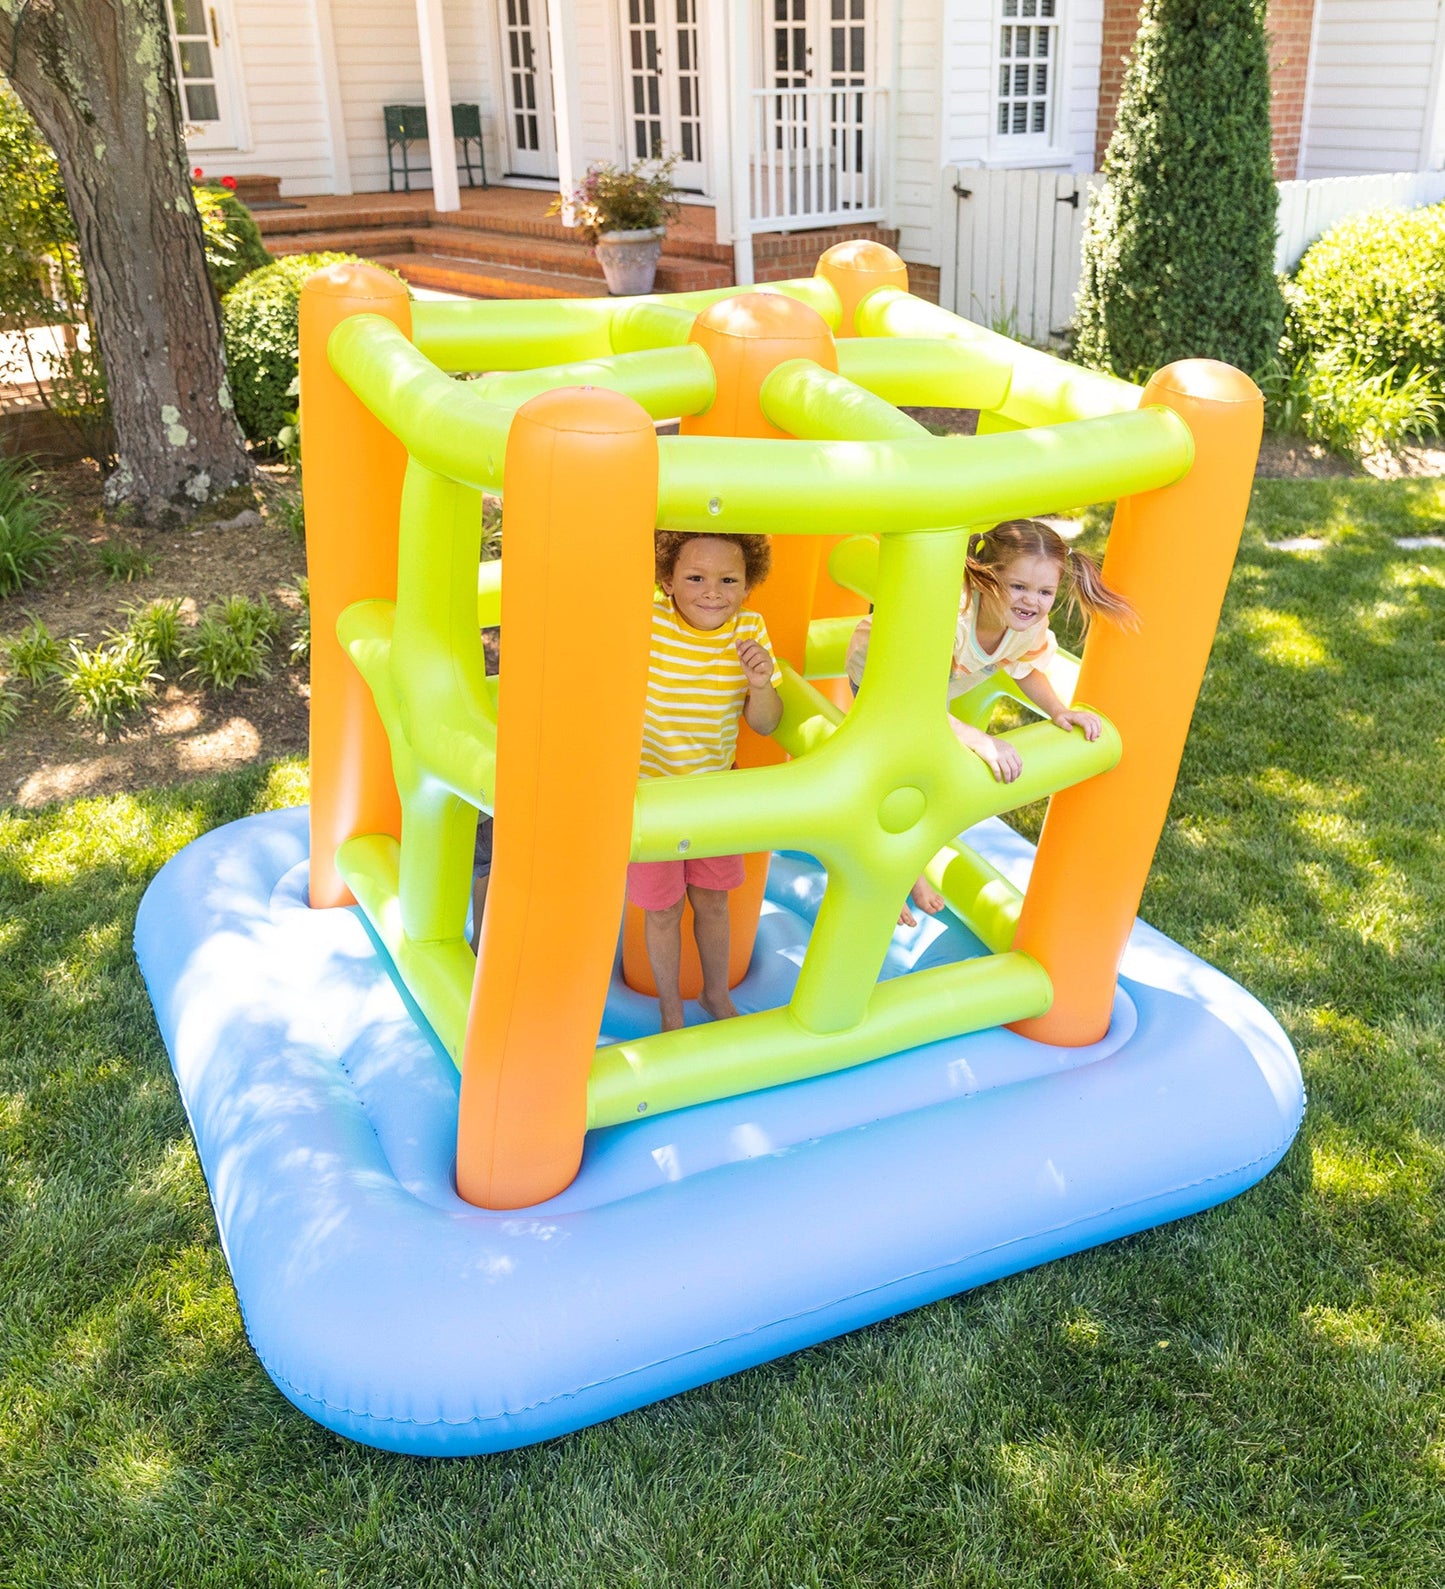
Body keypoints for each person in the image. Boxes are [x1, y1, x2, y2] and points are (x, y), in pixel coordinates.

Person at [846, 517, 1135, 925]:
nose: (1031, 601)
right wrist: (982, 740)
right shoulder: (951, 617)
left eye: (1045, 591)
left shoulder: (1026, 626)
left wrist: (1059, 710)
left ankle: (906, 872)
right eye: (1019, 586)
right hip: (883, 678)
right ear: (987, 578)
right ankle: (886, 882)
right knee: (901, 778)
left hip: (931, 688)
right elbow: (913, 706)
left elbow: (1027, 669)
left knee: (932, 780)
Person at [629, 531, 783, 1033]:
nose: (711, 591)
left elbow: (764, 723)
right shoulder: (647, 620)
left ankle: (715, 995)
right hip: (650, 795)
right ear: (668, 582)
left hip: (715, 793)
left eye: (727, 580)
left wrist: (760, 685)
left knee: (714, 902)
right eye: (695, 577)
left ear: (747, 586)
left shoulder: (750, 629)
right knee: (663, 910)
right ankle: (670, 1007)